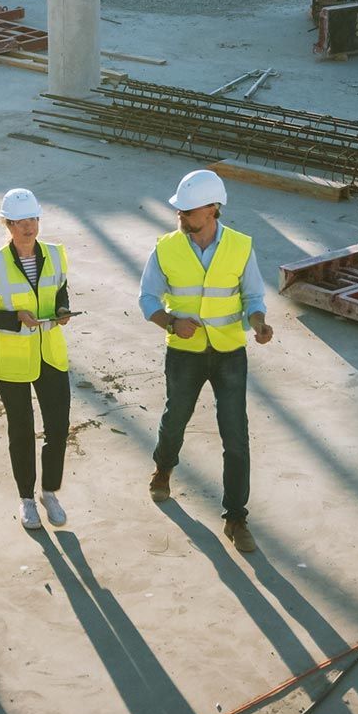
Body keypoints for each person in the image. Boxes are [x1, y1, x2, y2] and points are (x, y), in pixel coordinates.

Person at [138, 169, 273, 554]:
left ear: (214, 208)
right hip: (184, 353)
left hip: (230, 352)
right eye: (178, 210)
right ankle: (163, 468)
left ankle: (235, 517)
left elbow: (254, 299)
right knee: (175, 416)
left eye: (188, 210)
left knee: (235, 435)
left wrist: (260, 324)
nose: (180, 216)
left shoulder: (241, 246)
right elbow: (147, 298)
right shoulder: (165, 247)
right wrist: (170, 321)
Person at [0, 187, 74, 531]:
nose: (28, 227)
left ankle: (49, 492)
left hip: (50, 354)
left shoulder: (57, 254)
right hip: (12, 361)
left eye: (32, 219)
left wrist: (61, 309)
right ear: (8, 224)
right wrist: (15, 317)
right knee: (22, 430)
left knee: (58, 427)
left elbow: (60, 288)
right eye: (20, 222)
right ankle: (27, 498)